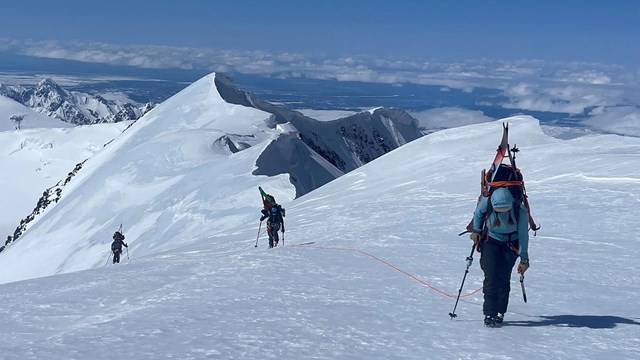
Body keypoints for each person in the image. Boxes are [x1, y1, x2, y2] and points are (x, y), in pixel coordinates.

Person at [471, 187, 529, 327]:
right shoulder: (488, 202)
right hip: (491, 240)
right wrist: (476, 230)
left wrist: (524, 258)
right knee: (491, 276)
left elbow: (523, 235)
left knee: (503, 278)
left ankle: (500, 311)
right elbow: (478, 213)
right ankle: (489, 312)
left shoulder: (520, 210)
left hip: (511, 244)